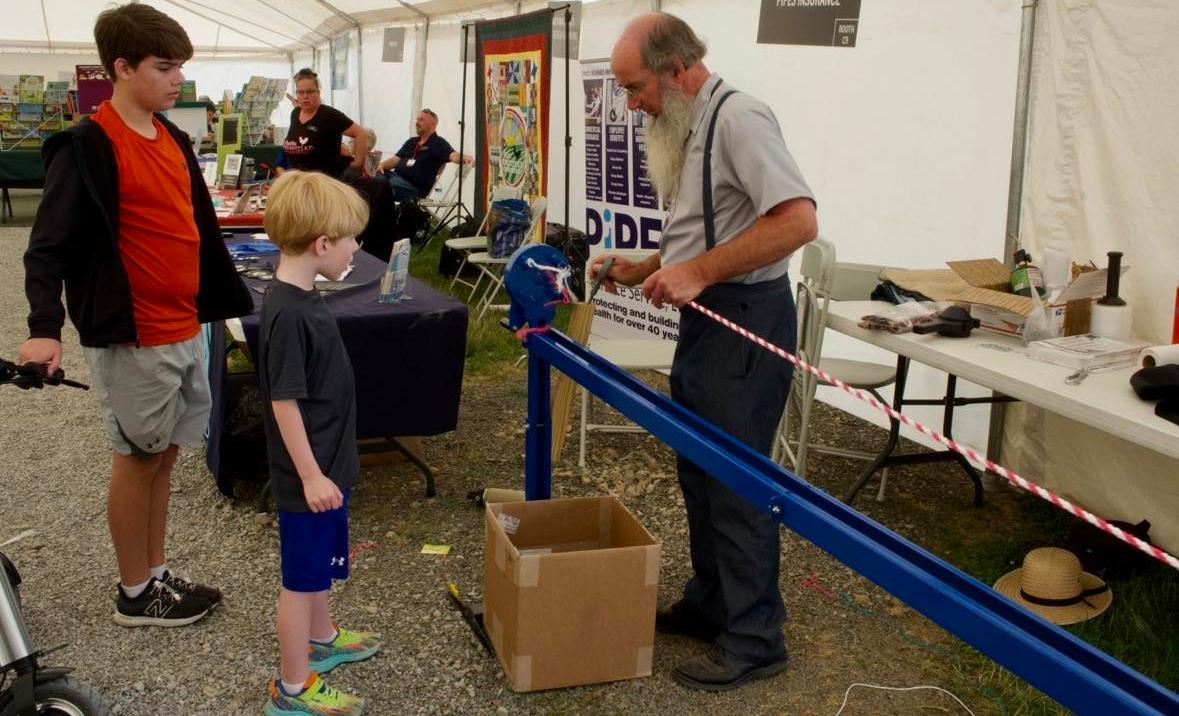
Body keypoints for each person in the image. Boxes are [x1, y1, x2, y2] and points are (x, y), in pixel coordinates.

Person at [590, 12, 818, 691]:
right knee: (698, 468)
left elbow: (797, 220)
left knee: (737, 482)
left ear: (675, 70)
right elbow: (715, 225)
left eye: (635, 88)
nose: (631, 104)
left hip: (745, 318)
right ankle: (712, 601)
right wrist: (654, 262)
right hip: (708, 316)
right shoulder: (687, 123)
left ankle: (755, 638)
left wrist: (701, 273)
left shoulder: (740, 118)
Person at [19, 3, 253, 626]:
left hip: (185, 327)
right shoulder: (86, 147)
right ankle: (133, 592)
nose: (178, 79)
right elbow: (47, 246)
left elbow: (192, 227)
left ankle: (153, 573)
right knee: (138, 457)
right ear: (121, 68)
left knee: (165, 456)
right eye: (164, 67)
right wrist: (44, 331)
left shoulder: (171, 134)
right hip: (135, 334)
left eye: (181, 67)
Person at [258, 170, 383, 716]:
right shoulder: (286, 312)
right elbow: (283, 402)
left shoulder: (303, 296)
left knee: (320, 566)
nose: (357, 248)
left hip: (328, 465)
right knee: (301, 577)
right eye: (351, 239)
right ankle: (293, 687)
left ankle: (322, 636)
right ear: (322, 244)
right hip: (308, 474)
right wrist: (309, 475)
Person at [279, 68, 367, 178]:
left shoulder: (329, 115)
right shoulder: (295, 113)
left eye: (310, 91)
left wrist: (357, 164)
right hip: (300, 180)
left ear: (318, 93)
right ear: (296, 93)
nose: (305, 96)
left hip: (325, 182)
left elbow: (361, 133)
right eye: (301, 92)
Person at [378, 108, 473, 201]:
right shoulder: (411, 142)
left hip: (412, 189)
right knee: (370, 176)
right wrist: (381, 165)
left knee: (378, 185)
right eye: (417, 119)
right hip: (395, 179)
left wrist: (464, 158)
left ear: (433, 124)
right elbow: (396, 159)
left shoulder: (438, 143)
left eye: (422, 120)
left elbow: (453, 155)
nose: (417, 122)